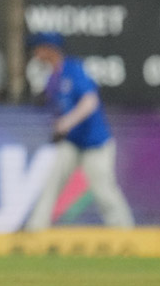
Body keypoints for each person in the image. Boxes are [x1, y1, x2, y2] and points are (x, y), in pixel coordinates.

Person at [23, 32, 134, 231]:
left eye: (38, 49)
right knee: (52, 183)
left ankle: (125, 232)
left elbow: (90, 102)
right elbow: (55, 108)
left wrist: (66, 123)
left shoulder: (73, 70)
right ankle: (35, 230)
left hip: (95, 143)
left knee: (104, 191)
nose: (35, 54)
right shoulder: (52, 78)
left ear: (49, 49)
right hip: (72, 142)